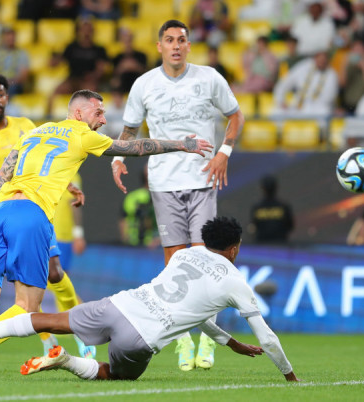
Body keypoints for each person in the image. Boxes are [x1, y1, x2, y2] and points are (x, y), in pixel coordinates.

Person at [0, 89, 213, 378]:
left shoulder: (33, 133)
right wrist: (182, 144)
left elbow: (3, 176)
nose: (104, 120)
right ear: (78, 112)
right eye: (99, 112)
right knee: (27, 305)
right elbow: (133, 148)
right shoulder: (83, 134)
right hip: (31, 215)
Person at [0, 216, 298, 383]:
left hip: (119, 304)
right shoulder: (235, 281)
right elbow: (266, 337)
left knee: (47, 319)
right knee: (116, 375)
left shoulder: (184, 255)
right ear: (235, 247)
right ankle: (65, 362)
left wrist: (227, 341)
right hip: (140, 337)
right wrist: (289, 375)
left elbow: (198, 313)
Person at [111, 20, 244, 372]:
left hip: (202, 180)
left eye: (181, 40)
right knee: (174, 268)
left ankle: (208, 341)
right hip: (162, 183)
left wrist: (223, 153)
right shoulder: (144, 84)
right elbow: (129, 129)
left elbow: (235, 115)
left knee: (209, 263)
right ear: (159, 46)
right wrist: (119, 157)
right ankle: (182, 339)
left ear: (188, 45)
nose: (175, 45)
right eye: (169, 40)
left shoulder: (209, 78)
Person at [0, 74, 95, 378]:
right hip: (10, 214)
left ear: (7, 96)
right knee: (26, 300)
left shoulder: (28, 126)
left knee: (52, 273)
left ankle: (74, 335)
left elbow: (45, 161)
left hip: (29, 211)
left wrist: (67, 184)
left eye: (1, 94)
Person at [272, 51, 338, 118]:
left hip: (317, 109)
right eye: (319, 58)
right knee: (277, 112)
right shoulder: (304, 66)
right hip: (297, 106)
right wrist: (281, 101)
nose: (321, 62)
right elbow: (284, 83)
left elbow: (329, 98)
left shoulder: (331, 74)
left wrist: (308, 104)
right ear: (315, 58)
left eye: (324, 60)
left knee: (325, 112)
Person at [120, 165, 159, 247]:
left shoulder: (131, 197)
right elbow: (124, 219)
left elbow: (123, 220)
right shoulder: (160, 198)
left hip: (146, 246)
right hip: (142, 246)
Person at [250, 176, 294, 244]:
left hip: (261, 246)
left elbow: (253, 227)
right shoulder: (284, 207)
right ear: (276, 187)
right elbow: (290, 226)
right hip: (280, 245)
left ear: (263, 188)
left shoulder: (257, 208)